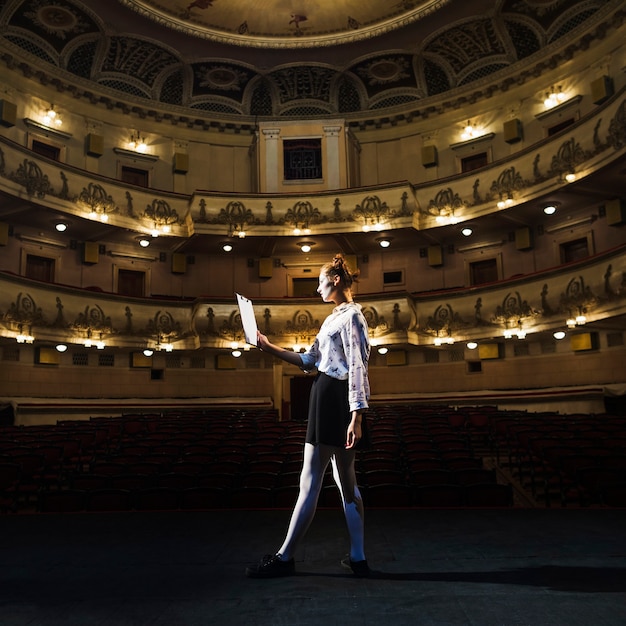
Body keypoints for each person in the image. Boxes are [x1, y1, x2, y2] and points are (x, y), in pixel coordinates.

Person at [245, 254, 371, 578]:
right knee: (344, 484)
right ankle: (358, 558)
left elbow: (358, 367)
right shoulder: (332, 319)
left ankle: (285, 557)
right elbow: (308, 359)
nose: (317, 288)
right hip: (327, 395)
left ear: (337, 280)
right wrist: (269, 347)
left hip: (335, 399)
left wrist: (356, 416)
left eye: (321, 281)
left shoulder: (353, 317)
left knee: (313, 482)